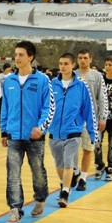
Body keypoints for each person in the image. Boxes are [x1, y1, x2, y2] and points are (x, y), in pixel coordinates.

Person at [0, 41, 54, 223]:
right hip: (14, 135)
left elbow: (49, 107)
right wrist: (5, 131)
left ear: (30, 57)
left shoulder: (42, 80)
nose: (17, 58)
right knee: (13, 174)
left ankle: (40, 198)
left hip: (35, 137)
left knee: (37, 171)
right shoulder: (9, 81)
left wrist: (41, 127)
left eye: (21, 55)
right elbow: (5, 107)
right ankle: (15, 209)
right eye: (15, 54)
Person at [41, 53, 96, 208]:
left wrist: (92, 133)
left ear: (73, 65)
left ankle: (64, 192)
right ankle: (69, 179)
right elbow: (44, 107)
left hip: (73, 131)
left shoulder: (81, 86)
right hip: (54, 133)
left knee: (68, 164)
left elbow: (88, 110)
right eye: (60, 63)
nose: (63, 66)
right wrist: (42, 127)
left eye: (66, 63)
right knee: (60, 164)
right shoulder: (52, 85)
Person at [73, 49, 108, 191]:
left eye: (85, 58)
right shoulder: (72, 75)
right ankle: (74, 172)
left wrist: (102, 118)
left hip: (90, 119)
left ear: (90, 59)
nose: (83, 60)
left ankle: (83, 177)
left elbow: (102, 98)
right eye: (80, 58)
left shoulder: (97, 76)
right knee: (71, 149)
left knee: (88, 149)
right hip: (74, 119)